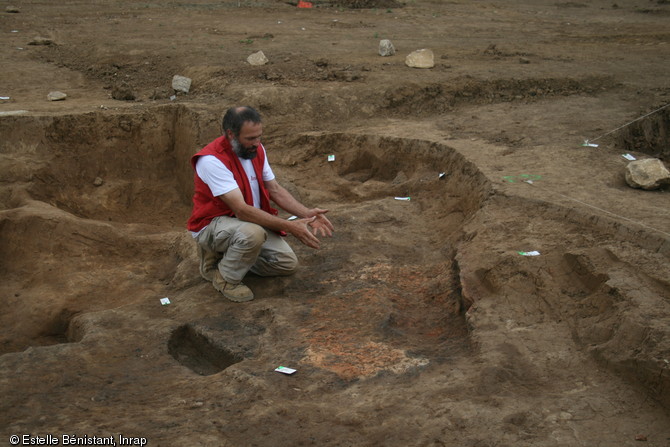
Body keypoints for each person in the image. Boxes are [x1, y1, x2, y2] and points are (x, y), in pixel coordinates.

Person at [187, 106, 334, 302]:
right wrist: (290, 226)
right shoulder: (211, 160)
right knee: (252, 234)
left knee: (286, 263)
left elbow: (274, 189)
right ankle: (225, 279)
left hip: (246, 223)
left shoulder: (256, 150)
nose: (257, 143)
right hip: (213, 224)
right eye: (250, 139)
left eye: (259, 137)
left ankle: (226, 258)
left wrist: (307, 214)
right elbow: (240, 210)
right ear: (230, 134)